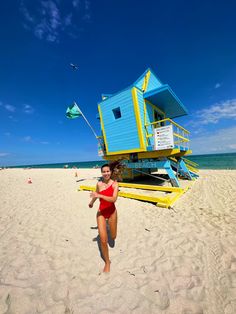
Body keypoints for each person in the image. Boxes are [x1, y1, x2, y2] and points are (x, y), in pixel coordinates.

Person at [89, 163, 119, 272]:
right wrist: (91, 202)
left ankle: (110, 229)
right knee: (103, 240)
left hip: (112, 212)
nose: (106, 173)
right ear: (101, 173)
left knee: (114, 237)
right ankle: (107, 262)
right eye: (104, 171)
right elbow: (96, 194)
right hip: (101, 212)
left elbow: (113, 199)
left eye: (107, 171)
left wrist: (100, 195)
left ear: (110, 172)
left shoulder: (115, 184)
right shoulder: (99, 183)